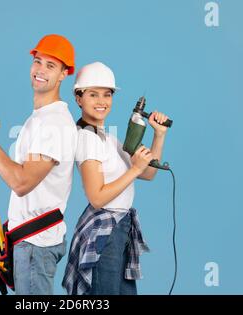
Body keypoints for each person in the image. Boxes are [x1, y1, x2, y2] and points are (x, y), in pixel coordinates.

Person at [0, 34, 78, 295]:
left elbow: (21, 182)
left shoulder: (54, 124)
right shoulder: (40, 119)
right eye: (38, 61)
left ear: (64, 74)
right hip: (27, 242)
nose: (41, 70)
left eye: (51, 66)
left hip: (36, 246)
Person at [62, 62, 170, 295]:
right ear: (79, 98)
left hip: (121, 228)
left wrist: (158, 135)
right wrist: (134, 169)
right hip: (104, 232)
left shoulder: (108, 138)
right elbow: (97, 197)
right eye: (93, 94)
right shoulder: (86, 138)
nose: (102, 101)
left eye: (107, 94)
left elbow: (148, 173)